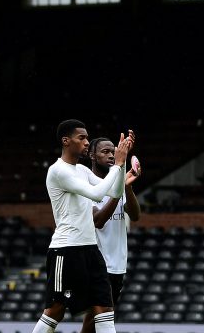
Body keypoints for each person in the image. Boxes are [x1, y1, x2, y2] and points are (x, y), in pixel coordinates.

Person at [29, 121, 133, 333]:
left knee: (104, 310)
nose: (86, 142)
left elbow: (113, 190)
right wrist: (117, 165)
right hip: (66, 250)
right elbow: (96, 194)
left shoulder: (82, 171)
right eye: (81, 138)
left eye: (87, 138)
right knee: (55, 310)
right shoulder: (58, 171)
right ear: (66, 141)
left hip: (91, 250)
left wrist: (121, 166)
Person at [82, 137, 142, 333]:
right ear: (92, 155)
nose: (110, 155)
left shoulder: (117, 183)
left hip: (117, 263)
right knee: (99, 316)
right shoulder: (86, 185)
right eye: (105, 151)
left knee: (98, 320)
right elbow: (98, 221)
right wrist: (117, 191)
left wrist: (127, 187)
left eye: (112, 151)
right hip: (97, 262)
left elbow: (135, 215)